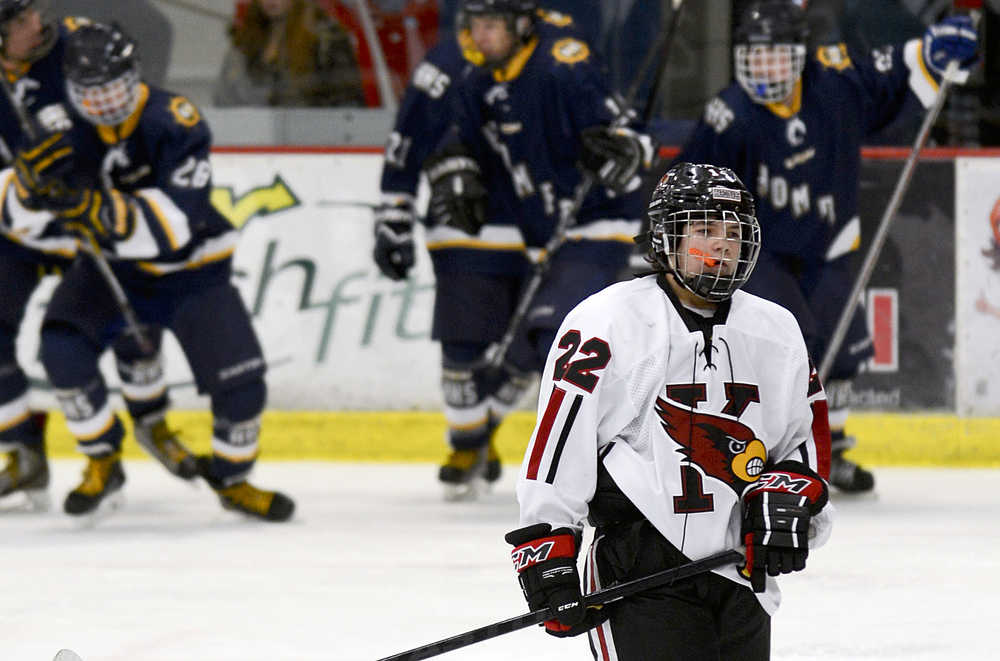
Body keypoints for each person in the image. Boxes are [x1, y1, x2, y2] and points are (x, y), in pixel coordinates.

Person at [504, 162, 834, 660]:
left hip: (741, 572)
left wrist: (785, 498)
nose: (723, 245)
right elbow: (558, 445)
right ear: (665, 240)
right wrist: (547, 548)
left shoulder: (777, 329)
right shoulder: (606, 322)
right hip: (638, 572)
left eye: (733, 232)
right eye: (704, 230)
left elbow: (802, 442)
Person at [675, 0, 979, 493]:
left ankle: (830, 447)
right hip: (763, 255)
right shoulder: (728, 116)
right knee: (789, 345)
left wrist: (939, 51)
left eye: (776, 57)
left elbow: (895, 68)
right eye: (755, 57)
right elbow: (690, 181)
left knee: (843, 357)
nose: (765, 69)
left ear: (800, 55)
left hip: (831, 246)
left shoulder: (833, 83)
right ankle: (770, 446)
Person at [4, 21, 295, 521]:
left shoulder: (175, 120)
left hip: (191, 271)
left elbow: (178, 224)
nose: (102, 103)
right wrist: (27, 191)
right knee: (61, 350)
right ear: (71, 89)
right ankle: (103, 461)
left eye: (113, 88)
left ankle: (232, 479)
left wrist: (96, 209)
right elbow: (14, 217)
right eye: (89, 93)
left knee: (243, 386)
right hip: (113, 268)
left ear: (135, 75)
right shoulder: (60, 128)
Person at [379, 0, 654, 499]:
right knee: (518, 339)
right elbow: (431, 138)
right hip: (536, 226)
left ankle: (594, 459)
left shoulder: (561, 62)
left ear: (521, 23)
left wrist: (627, 152)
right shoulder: (476, 74)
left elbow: (629, 134)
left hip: (594, 223)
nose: (481, 36)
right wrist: (435, 176)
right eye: (475, 25)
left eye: (493, 25)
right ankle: (478, 440)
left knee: (554, 336)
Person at [0, 1, 198, 510]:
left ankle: (153, 424)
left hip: (92, 218)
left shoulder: (79, 43)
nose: (36, 26)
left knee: (133, 328)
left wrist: (100, 200)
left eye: (33, 13)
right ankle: (25, 452)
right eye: (19, 23)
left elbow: (131, 119)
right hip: (20, 229)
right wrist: (21, 188)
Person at [213, 0, 366, 107]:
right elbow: (225, 98)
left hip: (313, 140)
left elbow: (348, 104)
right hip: (253, 138)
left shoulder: (326, 40)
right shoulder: (245, 41)